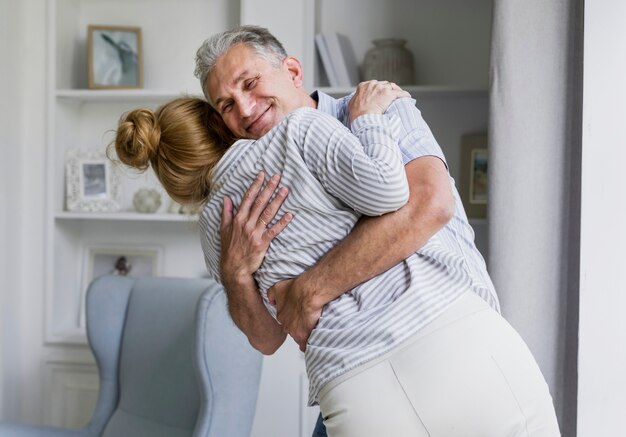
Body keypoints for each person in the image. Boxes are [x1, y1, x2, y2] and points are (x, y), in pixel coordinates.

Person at [190, 25, 561, 436]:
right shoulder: (242, 202)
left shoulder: (374, 106)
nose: (243, 109)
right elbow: (266, 339)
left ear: (292, 71)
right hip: (354, 381)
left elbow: (429, 207)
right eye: (226, 104)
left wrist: (310, 289)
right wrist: (236, 274)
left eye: (250, 83)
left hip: (452, 338)